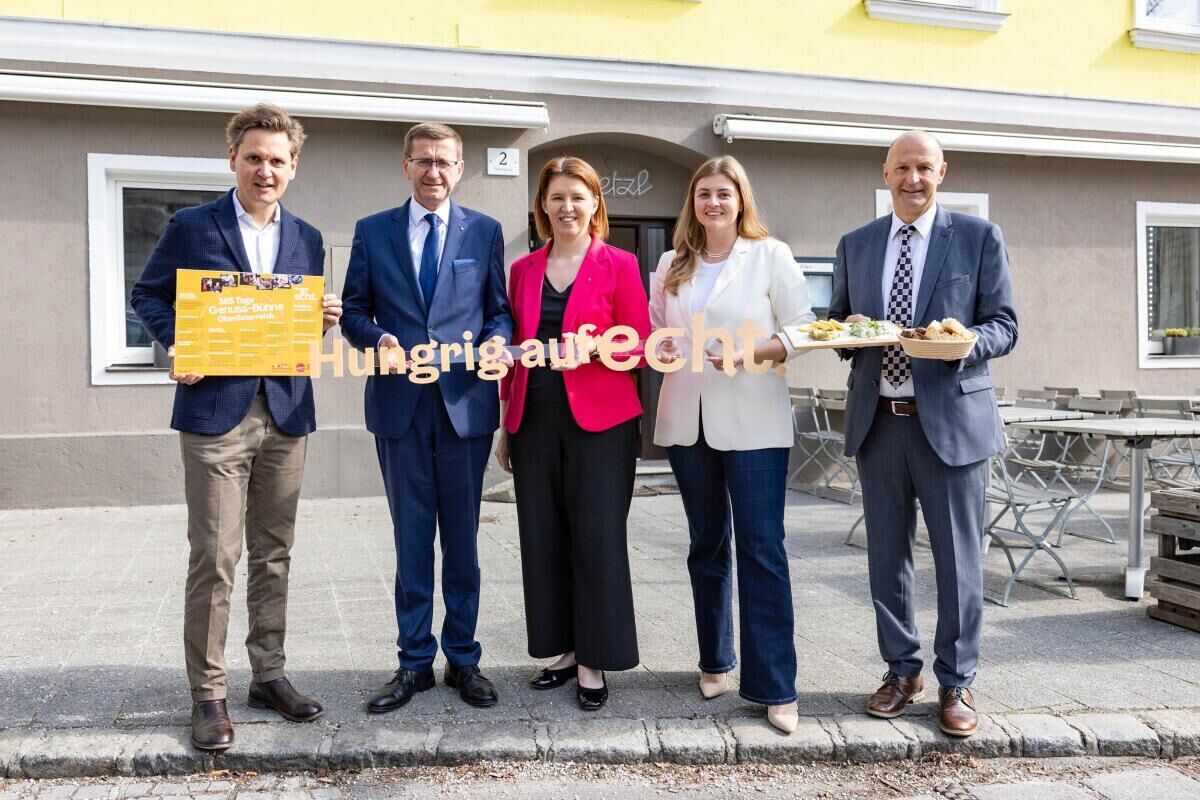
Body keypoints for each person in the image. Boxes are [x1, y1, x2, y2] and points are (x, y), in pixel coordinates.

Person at [131, 103, 343, 751]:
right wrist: (178, 344)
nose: (265, 170)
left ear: (293, 167)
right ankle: (208, 694)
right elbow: (147, 294)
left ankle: (268, 676)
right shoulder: (191, 225)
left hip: (286, 410)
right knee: (216, 557)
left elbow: (291, 324)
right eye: (254, 157)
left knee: (274, 553)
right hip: (214, 415)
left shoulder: (307, 237)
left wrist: (320, 320)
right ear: (233, 160)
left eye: (277, 160)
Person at [829, 130, 1017, 738]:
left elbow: (1004, 324)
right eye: (902, 167)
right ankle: (901, 671)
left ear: (942, 172)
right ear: (885, 173)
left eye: (924, 167)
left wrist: (963, 342)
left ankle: (956, 682)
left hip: (953, 422)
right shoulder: (856, 243)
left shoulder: (978, 236)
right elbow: (837, 322)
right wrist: (849, 330)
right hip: (879, 421)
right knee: (887, 557)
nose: (913, 178)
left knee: (959, 560)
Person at [340, 122, 513, 713]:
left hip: (465, 407)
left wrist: (497, 340)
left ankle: (463, 658)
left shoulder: (484, 231)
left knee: (462, 542)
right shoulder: (372, 231)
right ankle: (414, 661)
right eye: (423, 160)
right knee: (411, 540)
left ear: (459, 169)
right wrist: (379, 338)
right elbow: (353, 311)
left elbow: (499, 311)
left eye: (444, 161)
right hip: (400, 407)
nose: (433, 171)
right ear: (406, 166)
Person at [648, 155, 814, 734]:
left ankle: (775, 686)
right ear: (692, 203)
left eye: (723, 193)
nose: (713, 202)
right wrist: (663, 347)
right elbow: (656, 332)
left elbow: (802, 328)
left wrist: (749, 353)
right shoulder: (671, 262)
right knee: (706, 544)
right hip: (687, 419)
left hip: (753, 421)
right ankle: (715, 660)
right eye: (703, 194)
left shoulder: (771, 255)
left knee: (762, 548)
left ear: (741, 199)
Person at [494, 156, 650, 710]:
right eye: (557, 197)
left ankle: (594, 660)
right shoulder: (523, 269)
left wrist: (597, 348)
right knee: (542, 536)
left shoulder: (620, 263)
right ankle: (562, 650)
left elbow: (641, 344)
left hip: (601, 422)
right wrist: (505, 424)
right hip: (533, 417)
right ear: (543, 205)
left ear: (594, 204)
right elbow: (513, 352)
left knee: (596, 536)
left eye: (577, 198)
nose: (567, 208)